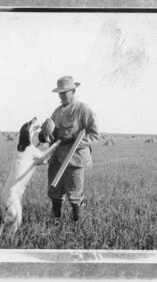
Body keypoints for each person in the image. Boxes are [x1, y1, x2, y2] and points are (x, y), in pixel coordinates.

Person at [39, 75, 99, 224]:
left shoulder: (82, 109)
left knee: (75, 195)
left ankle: (77, 227)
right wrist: (44, 135)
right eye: (59, 92)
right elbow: (52, 134)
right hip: (57, 158)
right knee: (54, 193)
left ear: (73, 91)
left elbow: (94, 134)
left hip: (74, 159)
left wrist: (73, 141)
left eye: (64, 92)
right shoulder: (57, 111)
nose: (61, 95)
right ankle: (55, 223)